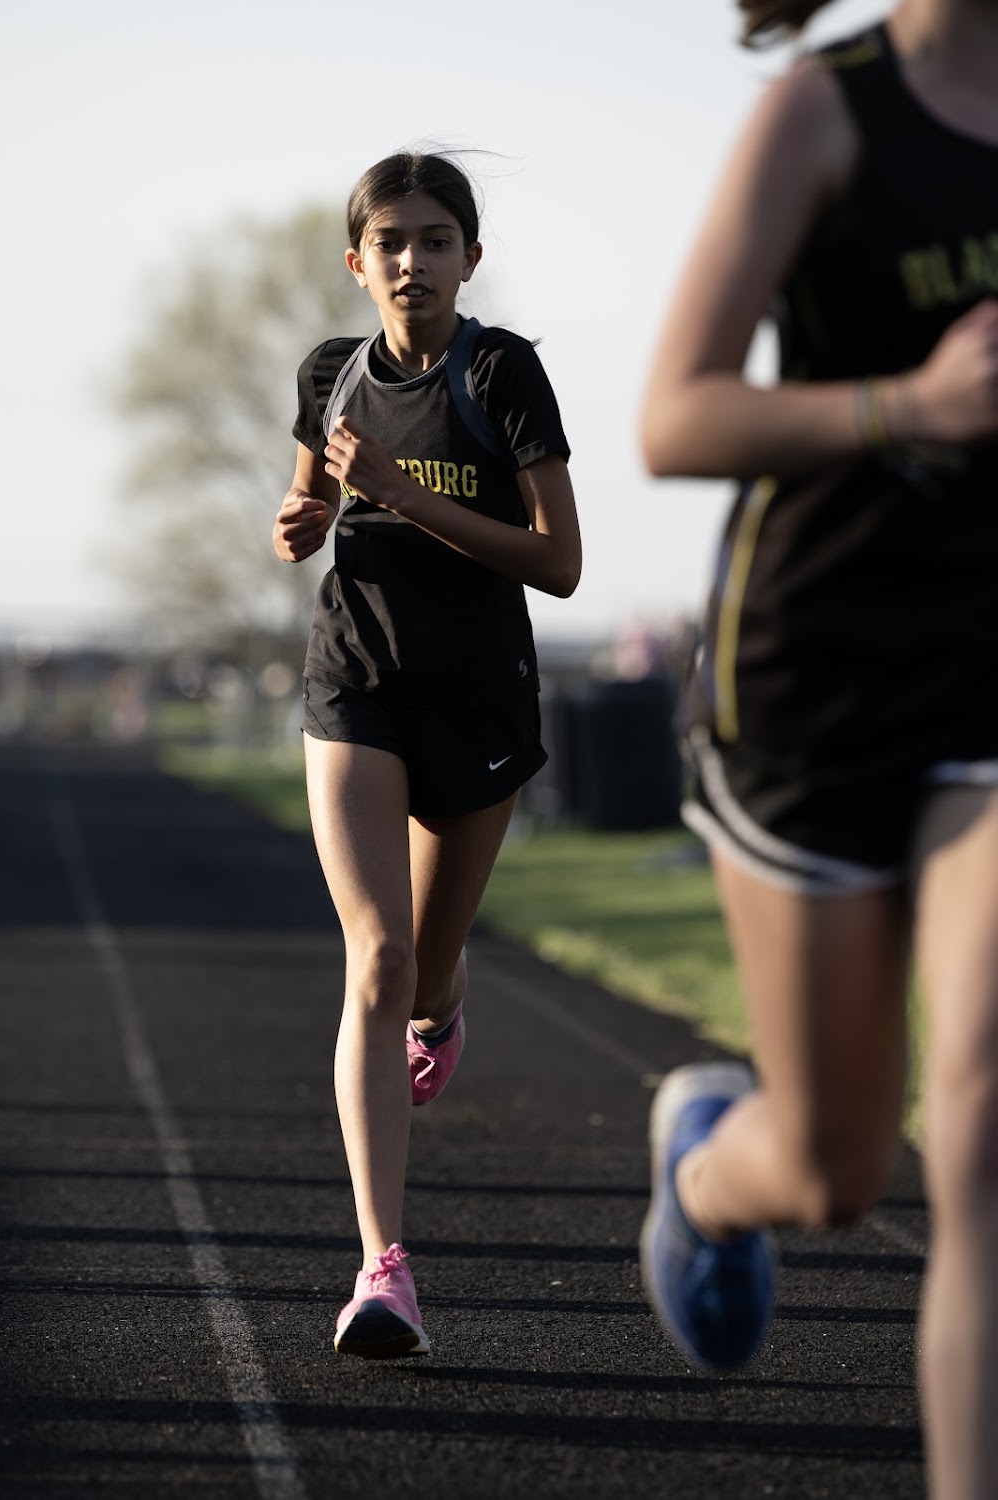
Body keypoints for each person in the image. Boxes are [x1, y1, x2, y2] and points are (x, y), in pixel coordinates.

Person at [638, 2, 998, 1495]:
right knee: (836, 1170)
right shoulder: (826, 109)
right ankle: (710, 1173)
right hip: (818, 682)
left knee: (981, 1125)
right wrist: (909, 405)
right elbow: (673, 419)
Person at [272, 152, 581, 1360]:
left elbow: (558, 563)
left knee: (426, 972)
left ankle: (440, 1012)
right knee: (378, 955)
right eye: (391, 242)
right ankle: (381, 1269)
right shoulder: (329, 375)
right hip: (355, 682)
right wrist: (301, 522)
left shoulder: (499, 374)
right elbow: (306, 510)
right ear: (358, 264)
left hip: (477, 701)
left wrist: (403, 494)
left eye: (436, 239)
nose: (414, 261)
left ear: (470, 257)